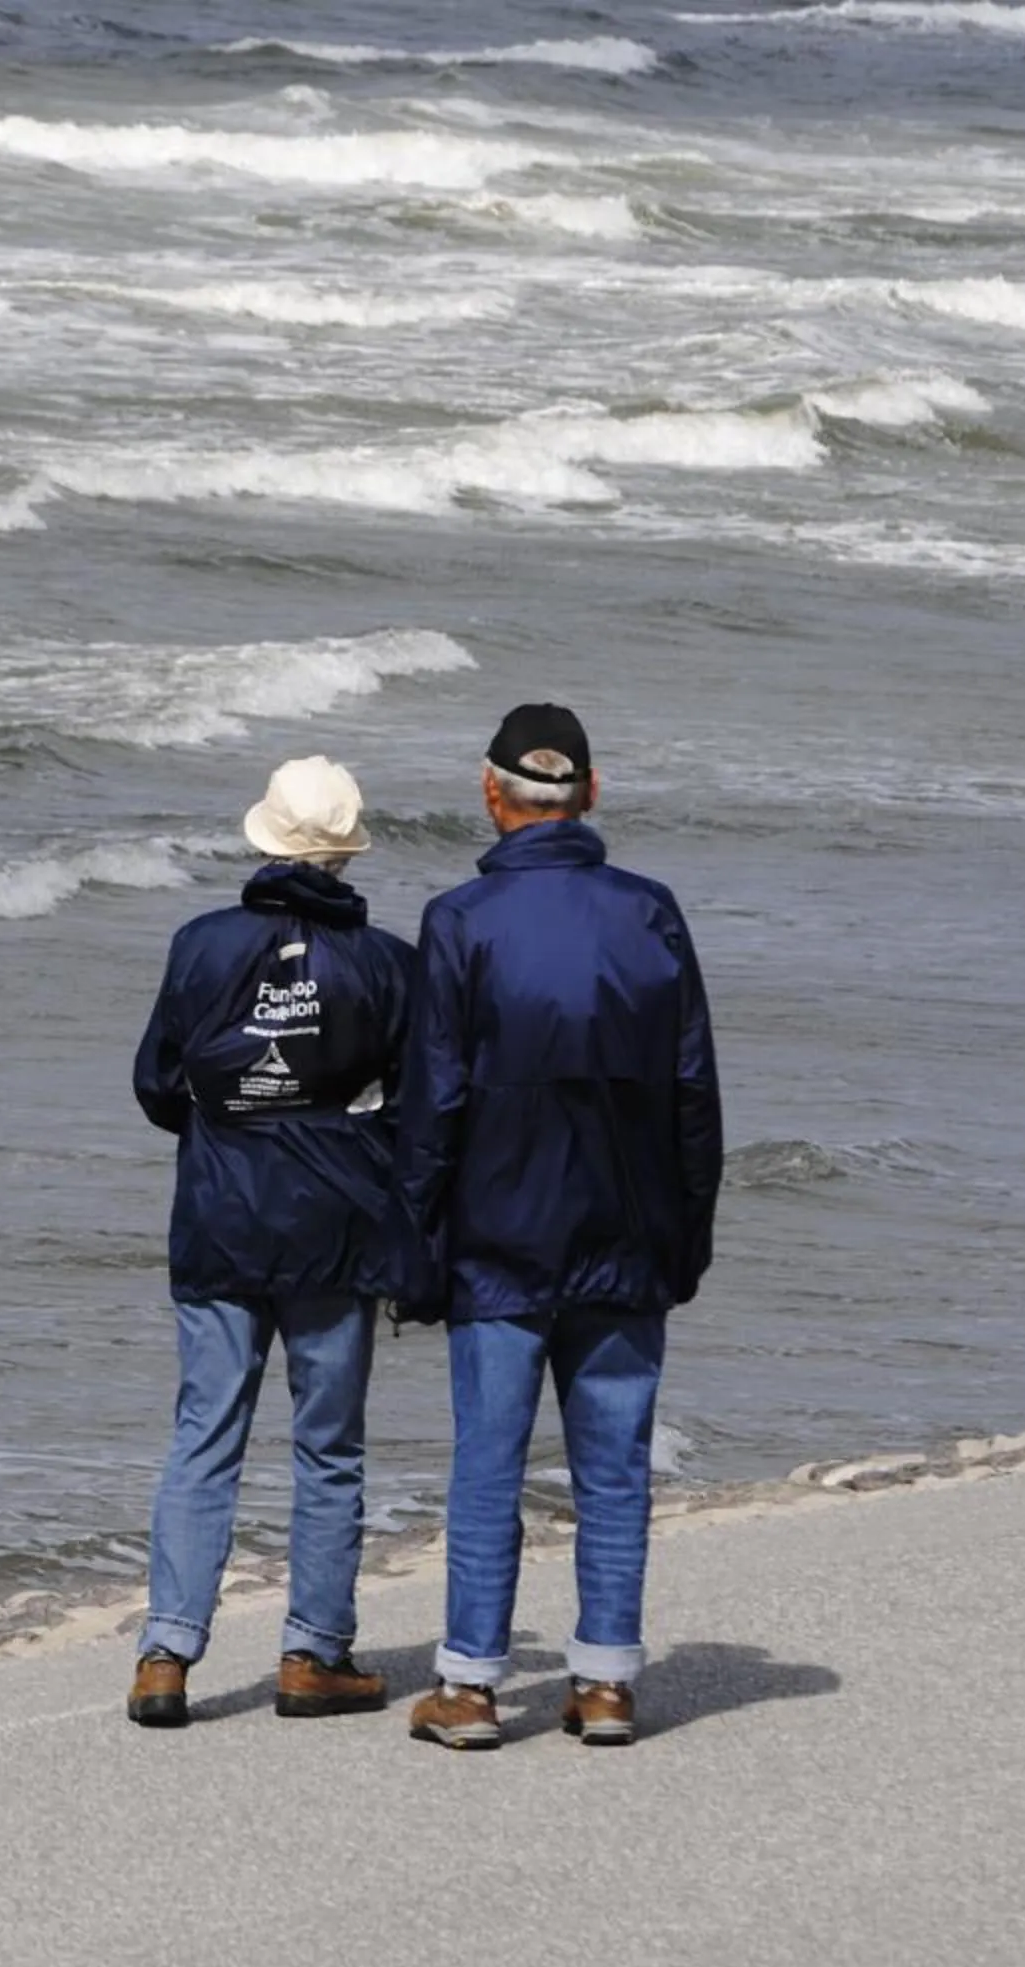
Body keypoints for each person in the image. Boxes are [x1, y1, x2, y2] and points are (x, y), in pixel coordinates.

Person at [393, 703, 722, 1751]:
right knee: (614, 1462)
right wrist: (688, 1236)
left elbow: (432, 1101)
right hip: (627, 1234)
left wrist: (416, 1240)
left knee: (488, 1462)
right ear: (591, 790)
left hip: (497, 1238)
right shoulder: (650, 911)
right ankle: (607, 1682)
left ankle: (474, 1687)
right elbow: (692, 1095)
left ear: (491, 796)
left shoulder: (459, 920)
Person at [126, 755, 418, 1728]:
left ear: (264, 838)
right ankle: (313, 1653)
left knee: (204, 1436)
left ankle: (166, 1652)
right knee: (328, 1447)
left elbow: (160, 1085)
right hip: (335, 1224)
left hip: (221, 1214)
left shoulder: (201, 944)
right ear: (342, 853)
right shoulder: (384, 961)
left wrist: (241, 1117)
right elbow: (416, 1101)